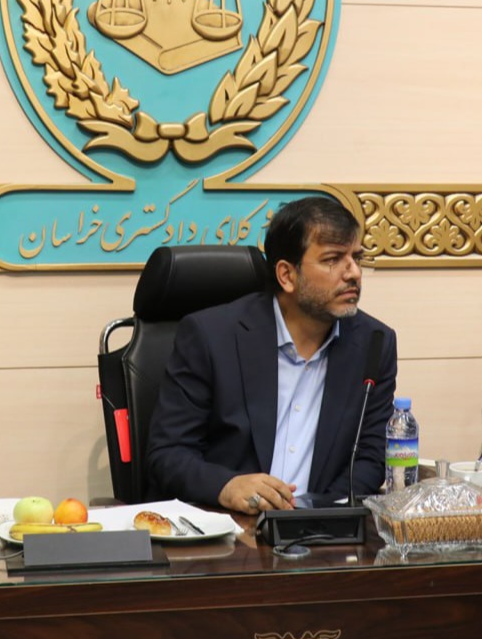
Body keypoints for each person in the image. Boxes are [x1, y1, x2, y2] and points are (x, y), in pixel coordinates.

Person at [146, 196, 398, 515]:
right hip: (229, 528)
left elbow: (370, 458)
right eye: (333, 259)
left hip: (322, 531)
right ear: (286, 275)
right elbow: (167, 454)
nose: (354, 273)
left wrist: (316, 516)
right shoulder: (210, 337)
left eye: (356, 258)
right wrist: (226, 486)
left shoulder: (374, 344)